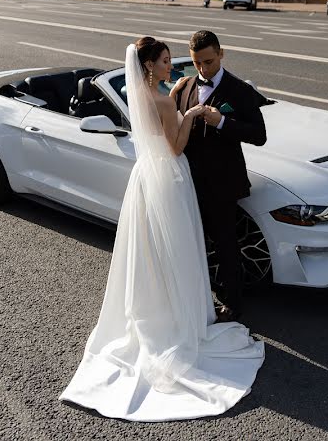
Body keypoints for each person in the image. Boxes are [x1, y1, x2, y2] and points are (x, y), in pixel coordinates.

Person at [60, 37, 265, 421]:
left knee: (156, 250)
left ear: (220, 56)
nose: (182, 68)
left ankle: (166, 309)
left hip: (147, 179)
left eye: (182, 61)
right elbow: (174, 147)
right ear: (150, 65)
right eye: (170, 61)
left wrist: (213, 118)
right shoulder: (169, 96)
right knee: (180, 247)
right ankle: (185, 312)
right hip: (171, 176)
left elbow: (256, 132)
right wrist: (188, 117)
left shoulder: (144, 93)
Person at [171, 30, 267, 322]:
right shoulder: (185, 85)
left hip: (223, 183)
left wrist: (222, 121)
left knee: (226, 244)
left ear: (221, 54)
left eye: (209, 62)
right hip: (189, 182)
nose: (202, 69)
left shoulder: (239, 90)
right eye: (197, 63)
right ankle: (200, 298)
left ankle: (233, 304)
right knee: (193, 243)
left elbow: (259, 135)